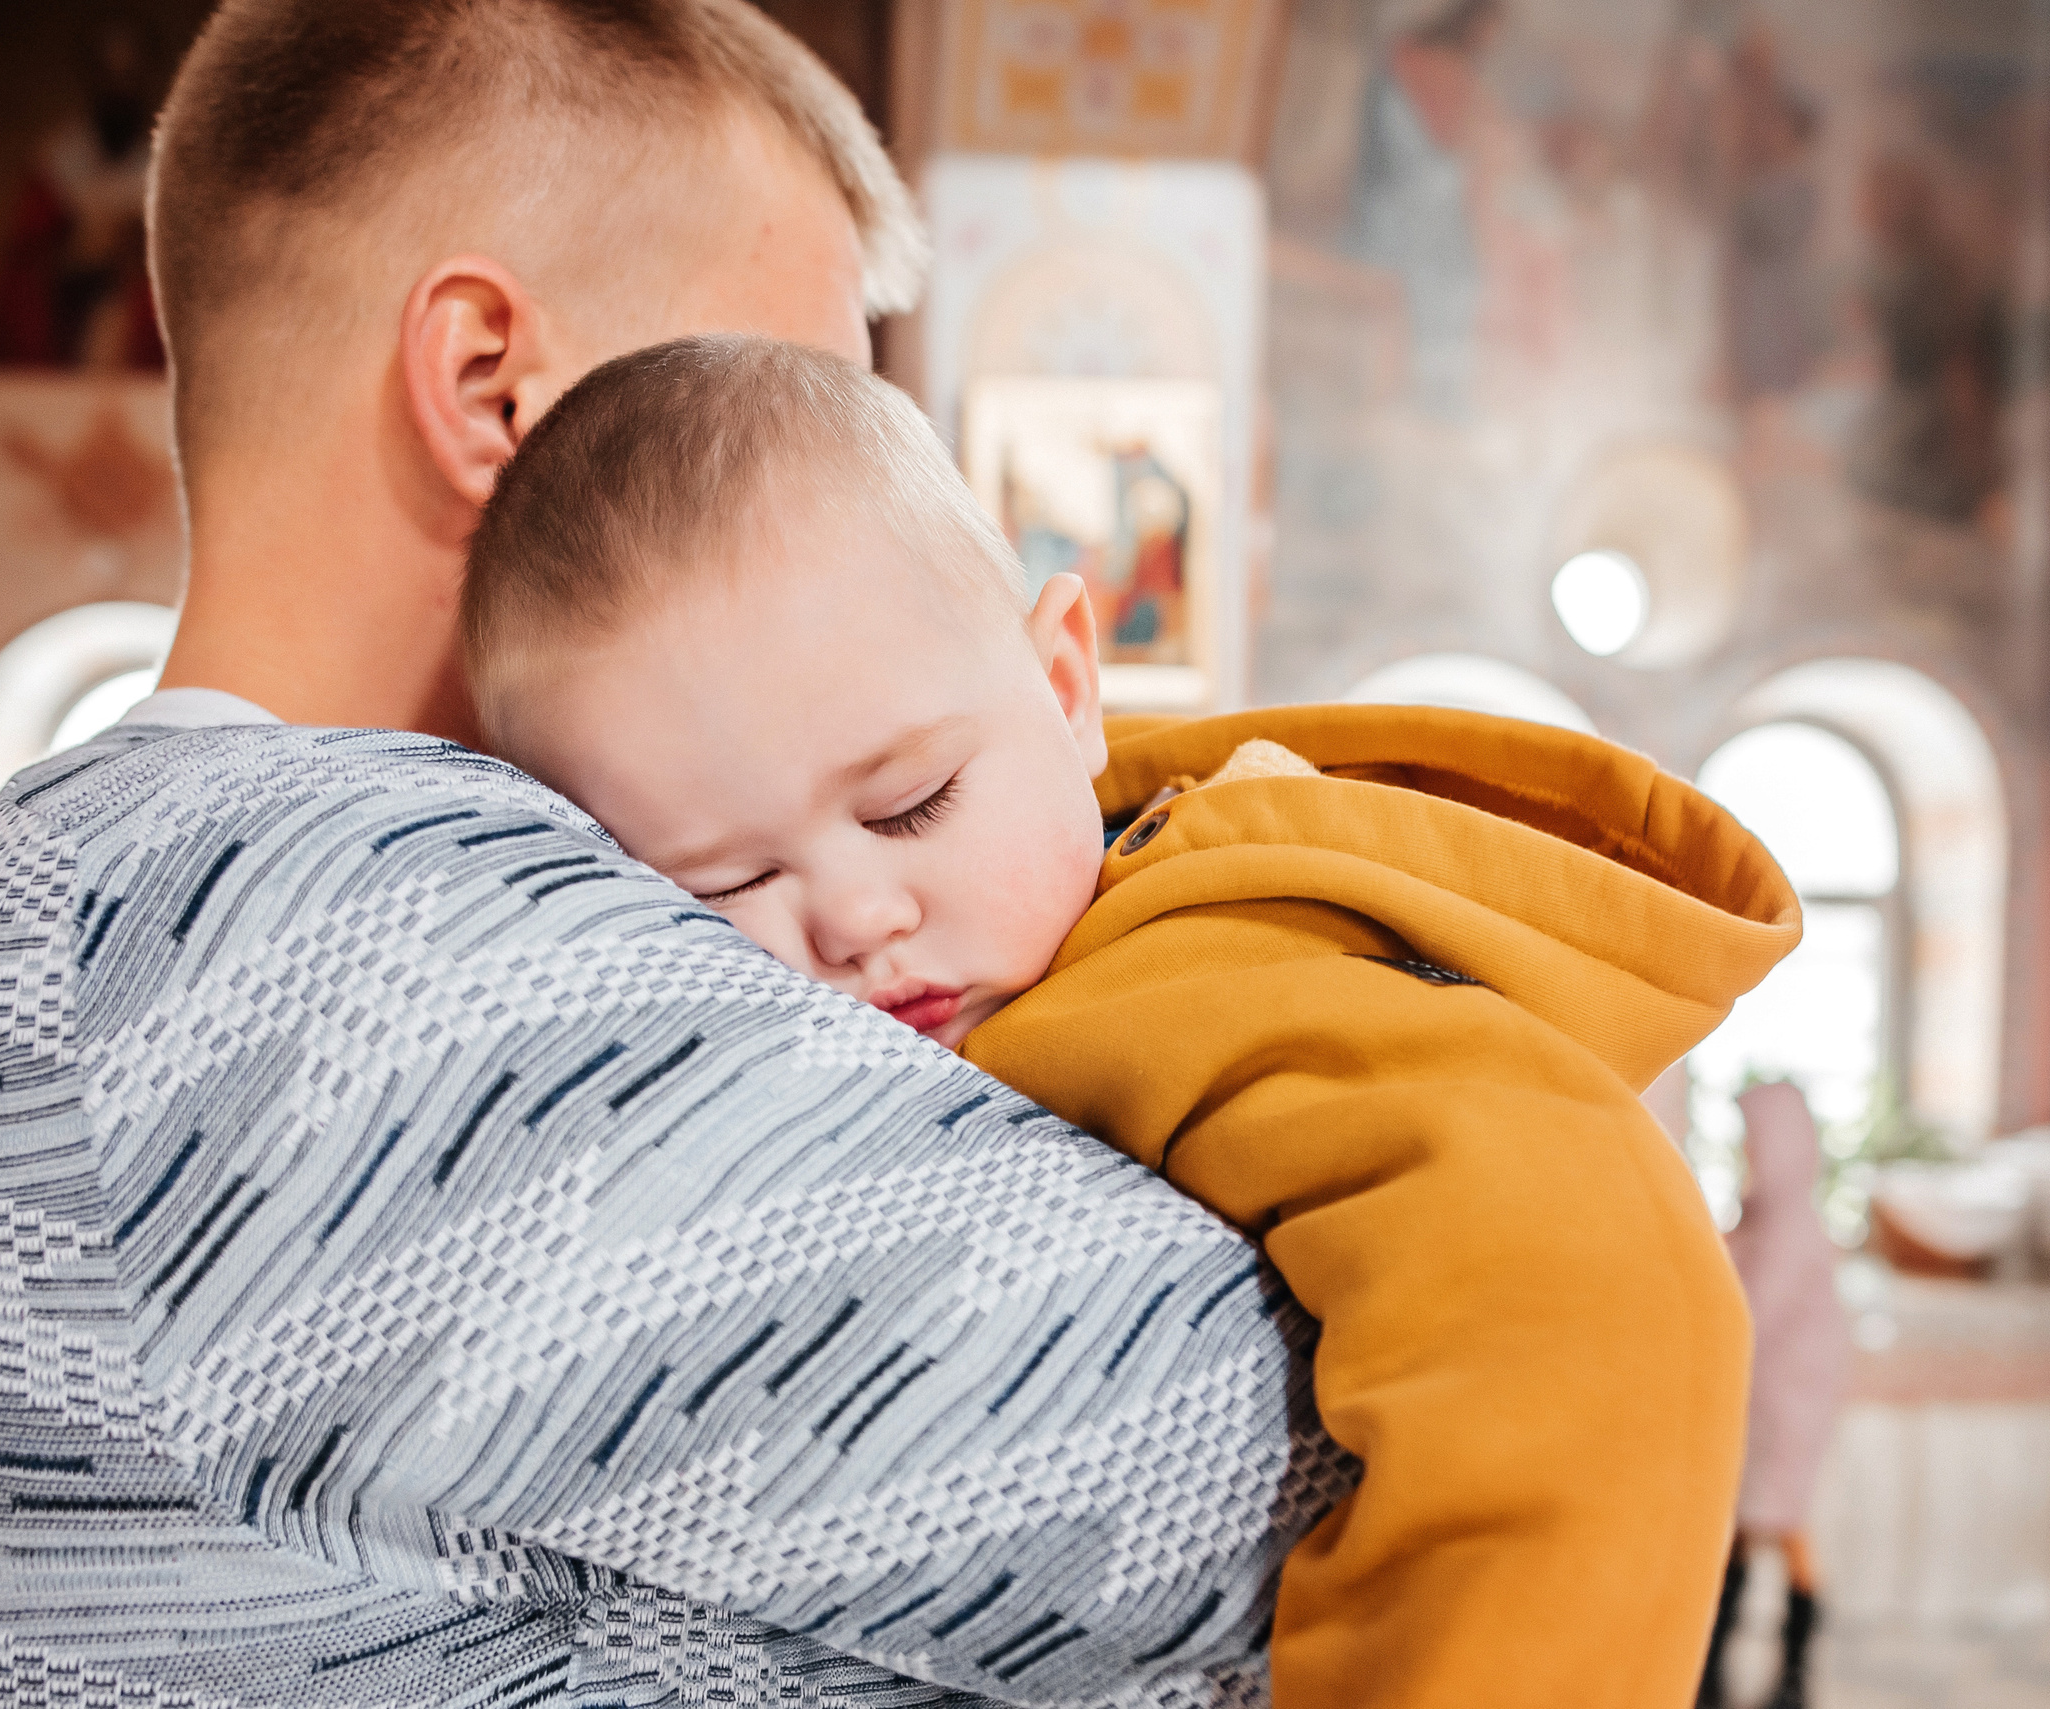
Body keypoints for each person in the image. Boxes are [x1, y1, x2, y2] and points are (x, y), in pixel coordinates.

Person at [0, 6, 1752, 1709]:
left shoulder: (86, 911)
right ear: (494, 384)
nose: (814, 479)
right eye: (760, 396)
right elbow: (1339, 1473)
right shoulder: (299, 926)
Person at [462, 333, 1801, 1705]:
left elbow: (1593, 1303)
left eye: (912, 803)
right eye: (723, 884)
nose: (856, 916)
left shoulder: (1227, 970)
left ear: (1066, 689)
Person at [1699, 1081, 1850, 1709]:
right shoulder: (1761, 1224)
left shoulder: (1790, 1231)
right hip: (1759, 1409)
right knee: (1744, 1530)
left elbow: (1750, 1317)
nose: (1745, 1155)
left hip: (1784, 1413)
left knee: (1786, 1529)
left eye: (1751, 1143)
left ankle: (1793, 1675)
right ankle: (1714, 1668)